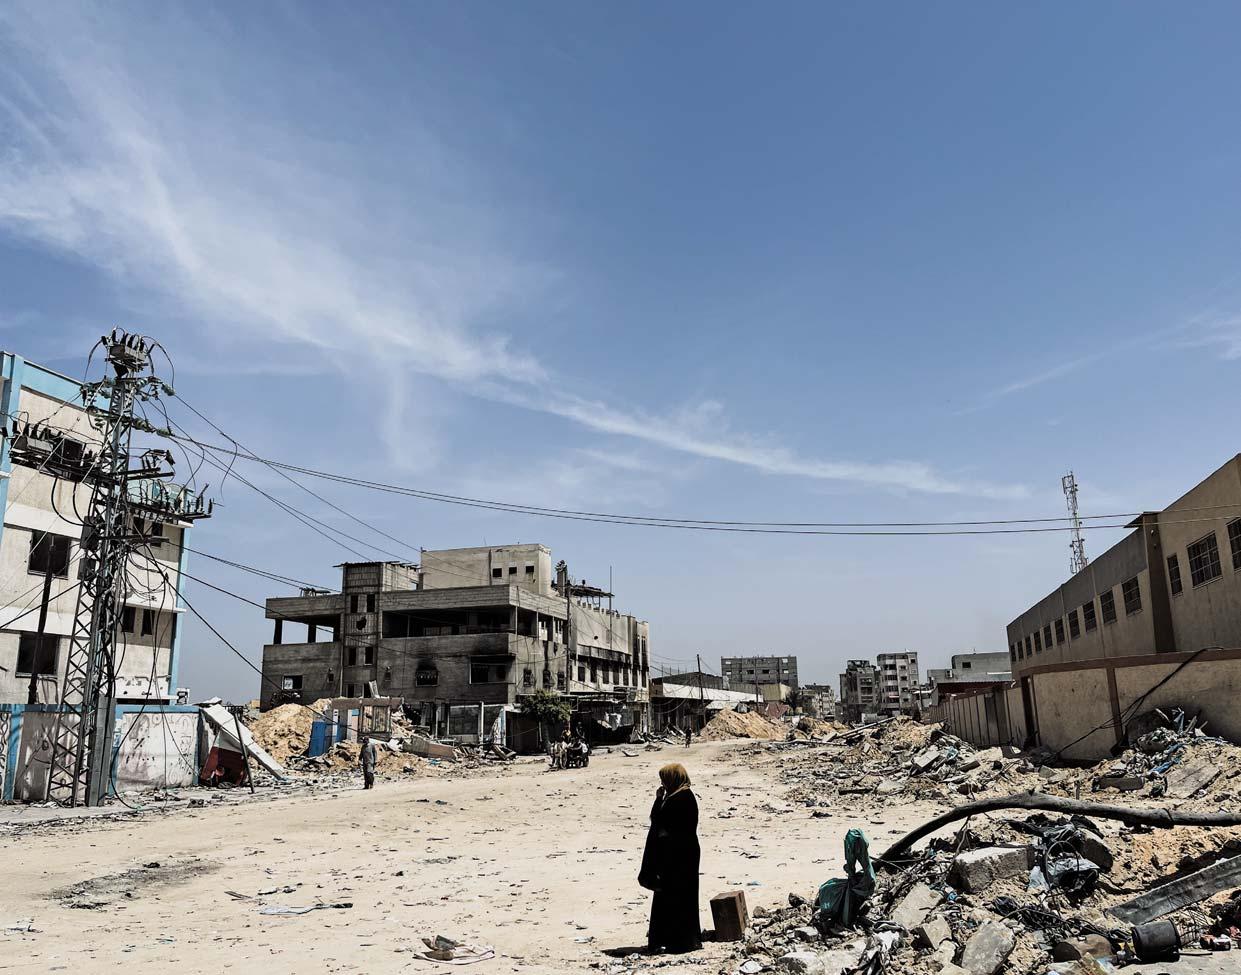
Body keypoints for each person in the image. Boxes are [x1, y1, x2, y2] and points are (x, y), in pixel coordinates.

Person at [638, 763, 702, 954]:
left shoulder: (682, 798)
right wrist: (660, 799)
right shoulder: (676, 796)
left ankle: (681, 942)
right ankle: (672, 939)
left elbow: (663, 823)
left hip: (679, 856)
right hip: (678, 854)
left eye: (665, 780)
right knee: (671, 896)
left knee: (677, 897)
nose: (663, 784)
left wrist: (659, 801)